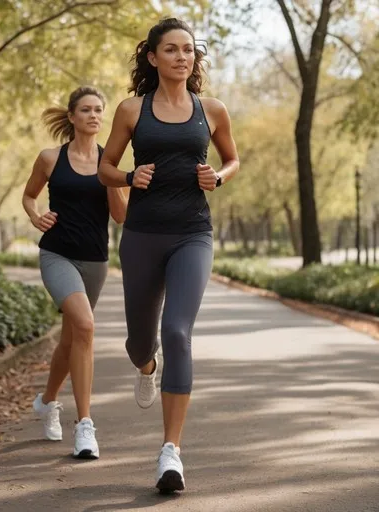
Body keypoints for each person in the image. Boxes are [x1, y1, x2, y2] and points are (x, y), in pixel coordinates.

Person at [98, 18, 240, 492]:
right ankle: (146, 366)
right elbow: (105, 168)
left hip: (192, 234)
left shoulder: (212, 109)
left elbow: (233, 159)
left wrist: (218, 176)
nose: (183, 57)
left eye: (189, 50)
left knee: (177, 331)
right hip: (141, 235)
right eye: (172, 50)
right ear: (153, 57)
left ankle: (170, 453)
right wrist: (127, 178)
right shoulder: (132, 110)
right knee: (141, 343)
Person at [22, 86, 127, 460]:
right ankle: (85, 427)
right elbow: (29, 195)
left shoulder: (108, 161)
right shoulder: (51, 158)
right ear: (72, 116)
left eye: (99, 110)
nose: (94, 115)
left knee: (72, 340)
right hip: (57, 255)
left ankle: (47, 402)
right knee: (84, 326)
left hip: (95, 261)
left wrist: (112, 177)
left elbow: (120, 216)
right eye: (86, 109)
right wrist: (37, 217)